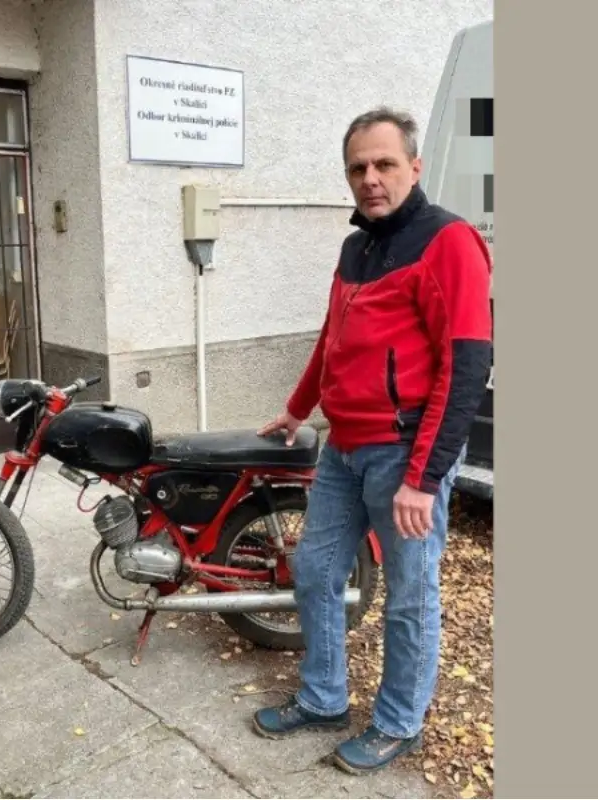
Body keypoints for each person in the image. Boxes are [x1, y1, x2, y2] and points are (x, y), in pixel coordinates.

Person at [253, 106, 493, 775]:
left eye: (384, 163)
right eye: (357, 167)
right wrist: (298, 409)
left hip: (405, 452)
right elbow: (333, 340)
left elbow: (466, 365)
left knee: (409, 596)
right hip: (345, 448)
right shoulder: (355, 249)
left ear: (415, 166)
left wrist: (424, 478)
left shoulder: (448, 242)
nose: (370, 178)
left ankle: (398, 722)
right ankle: (324, 699)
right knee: (315, 571)